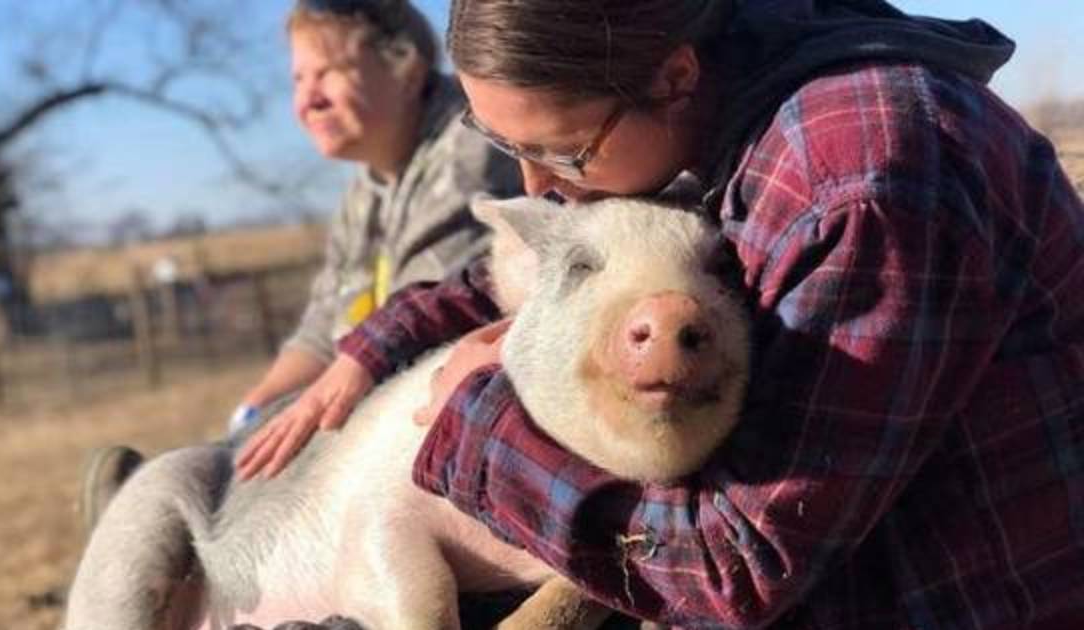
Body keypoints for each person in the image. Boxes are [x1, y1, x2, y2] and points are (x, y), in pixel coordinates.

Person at [236, 1, 1084, 628]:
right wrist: (364, 351)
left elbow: (738, 566)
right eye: (510, 150)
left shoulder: (859, 170)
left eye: (558, 150)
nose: (535, 186)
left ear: (675, 76)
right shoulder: (719, 119)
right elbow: (544, 247)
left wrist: (478, 422)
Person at [81, 0, 522, 529]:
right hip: (379, 399)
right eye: (297, 79)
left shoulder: (467, 155)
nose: (307, 99)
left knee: (289, 481)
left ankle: (167, 527)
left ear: (405, 68)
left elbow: (415, 329)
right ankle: (175, 511)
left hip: (445, 416)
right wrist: (251, 414)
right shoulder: (371, 183)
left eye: (328, 73)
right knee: (266, 438)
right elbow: (321, 331)